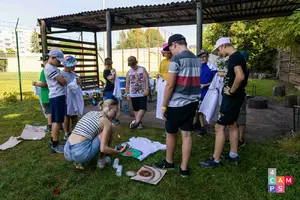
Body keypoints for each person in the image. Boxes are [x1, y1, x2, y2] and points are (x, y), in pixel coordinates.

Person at [152, 34, 201, 177]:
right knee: (187, 135)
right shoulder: (196, 59)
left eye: (170, 49)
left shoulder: (177, 58)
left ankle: (169, 162)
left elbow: (170, 85)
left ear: (174, 44)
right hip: (192, 102)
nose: (170, 52)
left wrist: (163, 106)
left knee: (170, 134)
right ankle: (184, 168)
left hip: (176, 104)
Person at [198, 37, 248, 168]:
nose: (219, 52)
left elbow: (240, 76)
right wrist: (225, 75)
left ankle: (215, 159)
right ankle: (233, 154)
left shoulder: (234, 57)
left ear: (224, 45)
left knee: (219, 127)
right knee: (232, 125)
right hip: (238, 97)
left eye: (219, 49)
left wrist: (231, 90)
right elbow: (236, 74)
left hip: (232, 98)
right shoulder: (238, 57)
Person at [64, 99, 126, 170]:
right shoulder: (105, 121)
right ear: (110, 108)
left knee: (89, 134)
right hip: (80, 153)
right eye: (115, 111)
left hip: (67, 151)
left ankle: (80, 162)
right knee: (111, 127)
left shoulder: (91, 112)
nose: (116, 114)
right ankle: (102, 161)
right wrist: (118, 152)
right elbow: (103, 149)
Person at [44, 49, 67, 153]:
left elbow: (62, 79)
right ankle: (55, 144)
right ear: (52, 57)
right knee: (57, 121)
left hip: (58, 96)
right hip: (57, 96)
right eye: (58, 61)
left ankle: (54, 139)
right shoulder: (50, 68)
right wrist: (64, 79)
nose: (60, 63)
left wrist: (63, 78)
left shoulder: (52, 67)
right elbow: (62, 82)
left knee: (57, 120)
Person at [196, 50, 217, 136]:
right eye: (201, 57)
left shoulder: (212, 66)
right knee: (199, 110)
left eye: (205, 56)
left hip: (209, 92)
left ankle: (214, 127)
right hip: (199, 91)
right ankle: (202, 127)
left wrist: (206, 84)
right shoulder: (197, 67)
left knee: (210, 109)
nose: (203, 58)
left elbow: (216, 80)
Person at [125, 56, 150, 129]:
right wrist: (127, 93)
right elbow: (127, 84)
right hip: (133, 94)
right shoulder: (129, 72)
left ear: (136, 62)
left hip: (142, 93)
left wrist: (147, 89)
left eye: (133, 64)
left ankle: (136, 122)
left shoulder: (142, 69)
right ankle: (139, 123)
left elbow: (146, 80)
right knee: (136, 109)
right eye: (130, 65)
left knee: (143, 108)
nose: (132, 66)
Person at [61, 55, 81, 140]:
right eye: (73, 65)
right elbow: (62, 85)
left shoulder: (74, 74)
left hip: (74, 98)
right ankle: (66, 132)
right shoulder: (61, 74)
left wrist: (79, 82)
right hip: (66, 98)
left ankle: (75, 131)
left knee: (74, 114)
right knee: (67, 115)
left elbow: (78, 83)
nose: (74, 67)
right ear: (67, 65)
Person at [156, 43, 173, 137]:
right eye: (164, 53)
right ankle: (165, 127)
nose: (166, 54)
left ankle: (170, 127)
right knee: (162, 104)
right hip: (162, 84)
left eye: (167, 52)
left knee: (168, 104)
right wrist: (158, 75)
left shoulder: (174, 61)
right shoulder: (163, 62)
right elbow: (160, 71)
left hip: (170, 84)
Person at [32, 55, 52, 132]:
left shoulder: (44, 71)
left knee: (48, 111)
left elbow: (43, 84)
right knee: (54, 110)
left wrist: (35, 84)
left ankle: (50, 126)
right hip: (55, 94)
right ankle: (58, 126)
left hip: (46, 94)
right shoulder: (55, 70)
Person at [237, 50, 249, 147]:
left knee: (241, 116)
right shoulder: (243, 67)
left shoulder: (243, 68)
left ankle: (240, 138)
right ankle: (237, 137)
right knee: (237, 117)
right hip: (239, 94)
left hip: (239, 94)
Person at [103, 57, 120, 125]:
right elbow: (112, 80)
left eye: (110, 65)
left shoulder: (110, 70)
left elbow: (114, 80)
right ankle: (108, 119)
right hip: (109, 90)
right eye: (109, 65)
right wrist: (113, 73)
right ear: (106, 65)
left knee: (115, 104)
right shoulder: (106, 72)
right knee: (109, 105)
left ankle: (113, 118)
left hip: (114, 90)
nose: (110, 66)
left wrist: (113, 73)